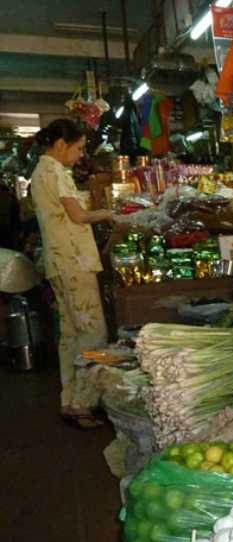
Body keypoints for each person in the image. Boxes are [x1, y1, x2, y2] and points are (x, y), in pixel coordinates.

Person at [30, 119, 113, 430]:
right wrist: (108, 213)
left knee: (70, 335)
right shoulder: (56, 171)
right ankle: (84, 403)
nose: (80, 155)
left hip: (58, 262)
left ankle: (69, 399)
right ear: (61, 145)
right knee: (93, 333)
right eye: (78, 148)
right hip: (75, 262)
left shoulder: (39, 172)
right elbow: (78, 216)